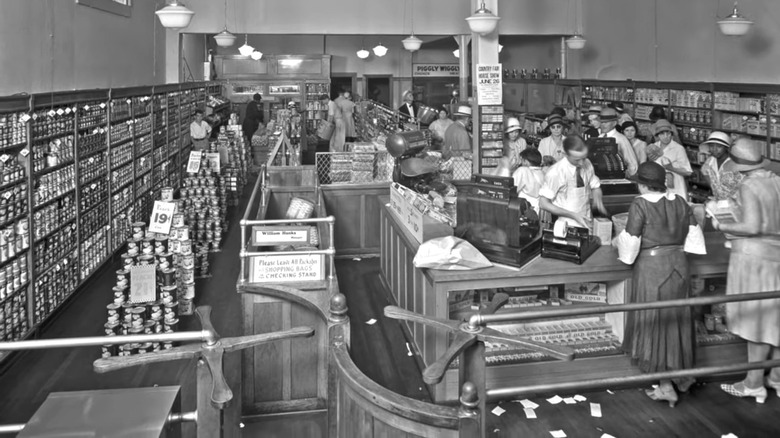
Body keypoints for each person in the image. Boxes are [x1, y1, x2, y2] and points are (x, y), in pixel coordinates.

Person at [614, 161, 706, 408]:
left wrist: (617, 243)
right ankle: (684, 377)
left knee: (655, 321)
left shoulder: (640, 204)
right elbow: (695, 237)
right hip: (679, 265)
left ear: (643, 185)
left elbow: (631, 244)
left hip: (652, 268)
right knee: (678, 318)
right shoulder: (679, 201)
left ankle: (665, 386)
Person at [714, 139, 780, 404]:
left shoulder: (750, 185)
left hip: (754, 260)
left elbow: (752, 226)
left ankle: (753, 383)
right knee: (776, 320)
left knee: (756, 322)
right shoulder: (777, 181)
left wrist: (721, 225)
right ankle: (776, 378)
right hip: (777, 256)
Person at [539, 135, 608, 230]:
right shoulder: (556, 172)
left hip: (588, 220)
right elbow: (543, 203)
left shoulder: (587, 163)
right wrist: (573, 215)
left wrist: (597, 200)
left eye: (584, 158)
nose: (581, 163)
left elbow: (595, 186)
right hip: (566, 225)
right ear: (566, 154)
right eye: (577, 160)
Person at [647, 119, 692, 200]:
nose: (666, 136)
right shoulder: (654, 147)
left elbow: (688, 172)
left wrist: (671, 168)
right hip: (659, 186)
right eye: (662, 133)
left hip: (675, 187)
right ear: (658, 135)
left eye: (668, 133)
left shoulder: (678, 148)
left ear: (671, 134)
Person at [699, 131, 743, 200]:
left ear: (726, 148)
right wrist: (715, 189)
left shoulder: (734, 163)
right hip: (719, 202)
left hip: (735, 203)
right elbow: (704, 171)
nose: (714, 149)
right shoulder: (710, 161)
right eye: (711, 146)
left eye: (719, 146)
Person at [598, 108, 639, 177]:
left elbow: (632, 164)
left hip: (617, 177)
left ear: (614, 123)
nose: (603, 125)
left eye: (606, 122)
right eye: (602, 122)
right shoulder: (600, 137)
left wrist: (623, 177)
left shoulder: (621, 139)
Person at [512, 148, 545, 214]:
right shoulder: (543, 173)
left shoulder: (523, 170)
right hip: (539, 211)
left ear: (525, 161)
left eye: (521, 160)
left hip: (523, 209)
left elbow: (512, 190)